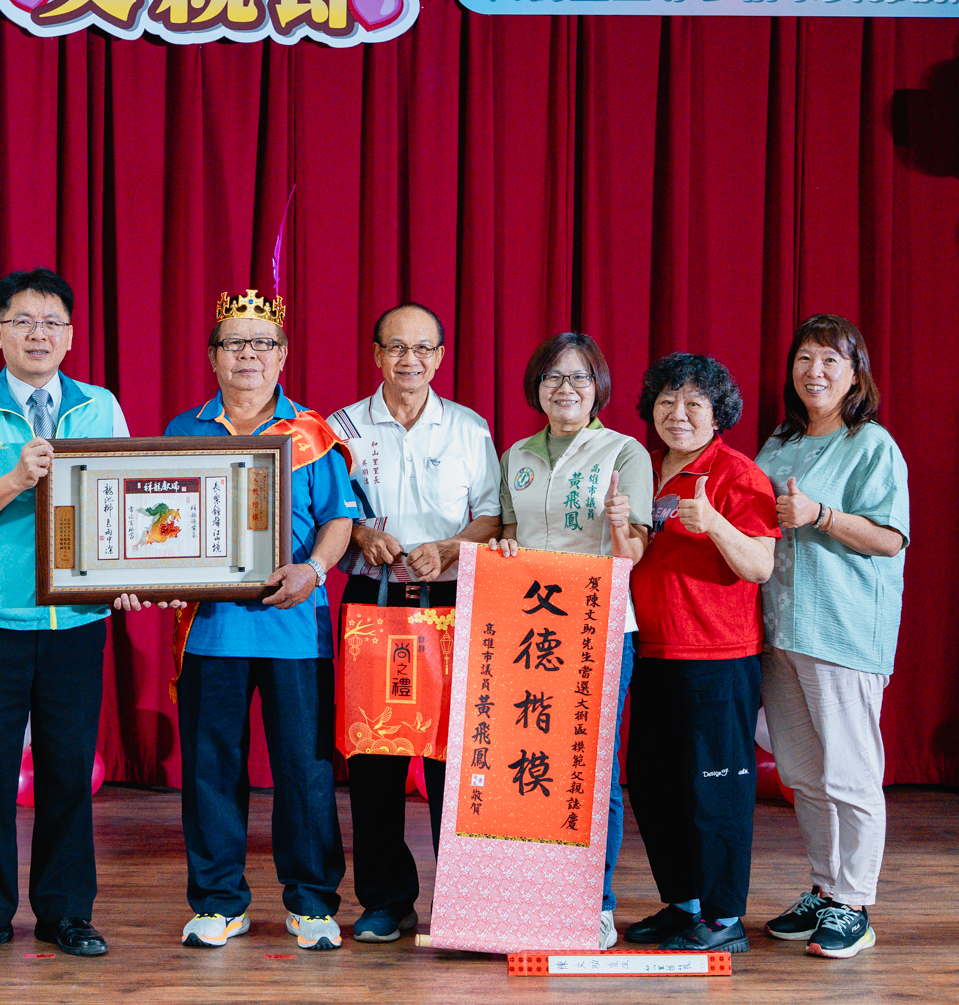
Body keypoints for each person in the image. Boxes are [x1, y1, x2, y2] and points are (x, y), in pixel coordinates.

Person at [0, 268, 130, 961]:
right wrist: (15, 480)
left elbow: (122, 507)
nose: (37, 334)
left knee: (68, 771)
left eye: (51, 322)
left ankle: (66, 912)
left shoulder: (100, 407)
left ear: (71, 337)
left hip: (77, 622)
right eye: (22, 321)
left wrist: (127, 578)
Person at [164, 289, 359, 953]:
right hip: (211, 627)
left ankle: (311, 901)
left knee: (304, 770)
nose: (248, 354)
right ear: (213, 356)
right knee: (210, 768)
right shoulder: (184, 430)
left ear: (282, 355)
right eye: (234, 342)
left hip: (294, 627)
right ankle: (219, 901)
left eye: (262, 343)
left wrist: (315, 570)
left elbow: (339, 519)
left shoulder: (312, 432)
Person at [325, 303, 499, 944]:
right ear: (376, 354)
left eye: (423, 348)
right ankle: (385, 899)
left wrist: (450, 548)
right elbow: (325, 512)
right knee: (375, 758)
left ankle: (461, 901)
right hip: (373, 603)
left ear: (440, 357)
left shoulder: (468, 428)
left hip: (452, 604)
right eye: (396, 347)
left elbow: (492, 515)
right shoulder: (341, 427)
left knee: (455, 756)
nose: (410, 360)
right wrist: (362, 534)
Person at [754, 315, 909, 961]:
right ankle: (824, 888)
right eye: (803, 358)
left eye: (829, 360)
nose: (813, 371)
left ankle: (855, 903)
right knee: (803, 771)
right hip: (777, 628)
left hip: (840, 630)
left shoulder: (871, 444)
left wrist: (820, 514)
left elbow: (890, 538)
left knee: (850, 772)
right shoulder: (780, 440)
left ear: (854, 373)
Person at [490, 331, 651, 950]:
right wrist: (504, 547)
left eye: (579, 377)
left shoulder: (624, 452)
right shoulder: (517, 455)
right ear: (537, 387)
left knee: (593, 768)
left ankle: (596, 901)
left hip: (597, 625)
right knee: (530, 761)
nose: (565, 388)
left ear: (598, 387)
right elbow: (510, 534)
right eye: (553, 377)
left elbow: (634, 552)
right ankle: (535, 893)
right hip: (527, 628)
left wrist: (621, 525)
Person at [619, 354, 779, 956]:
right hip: (652, 650)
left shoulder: (737, 474)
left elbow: (759, 565)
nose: (678, 414)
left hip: (718, 656)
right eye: (666, 401)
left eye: (694, 404)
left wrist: (714, 522)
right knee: (656, 784)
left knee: (715, 789)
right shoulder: (644, 468)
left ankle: (723, 916)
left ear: (718, 414)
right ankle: (683, 903)